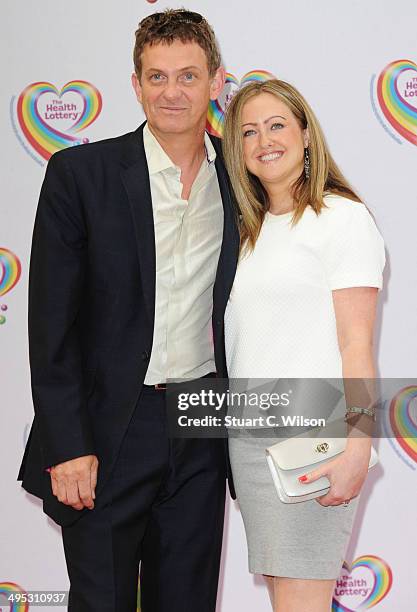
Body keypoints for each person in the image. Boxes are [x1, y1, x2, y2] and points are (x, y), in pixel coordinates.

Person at [18, 9, 239, 612]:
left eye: (189, 76)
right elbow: (50, 327)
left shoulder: (245, 180)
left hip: (202, 420)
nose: (173, 92)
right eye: (157, 76)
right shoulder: (80, 176)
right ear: (136, 84)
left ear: (217, 82)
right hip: (108, 427)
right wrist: (67, 444)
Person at [221, 79, 385, 612]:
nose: (264, 140)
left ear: (306, 134)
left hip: (313, 436)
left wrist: (359, 442)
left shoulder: (342, 218)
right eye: (248, 131)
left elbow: (356, 343)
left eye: (276, 125)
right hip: (251, 440)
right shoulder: (250, 232)